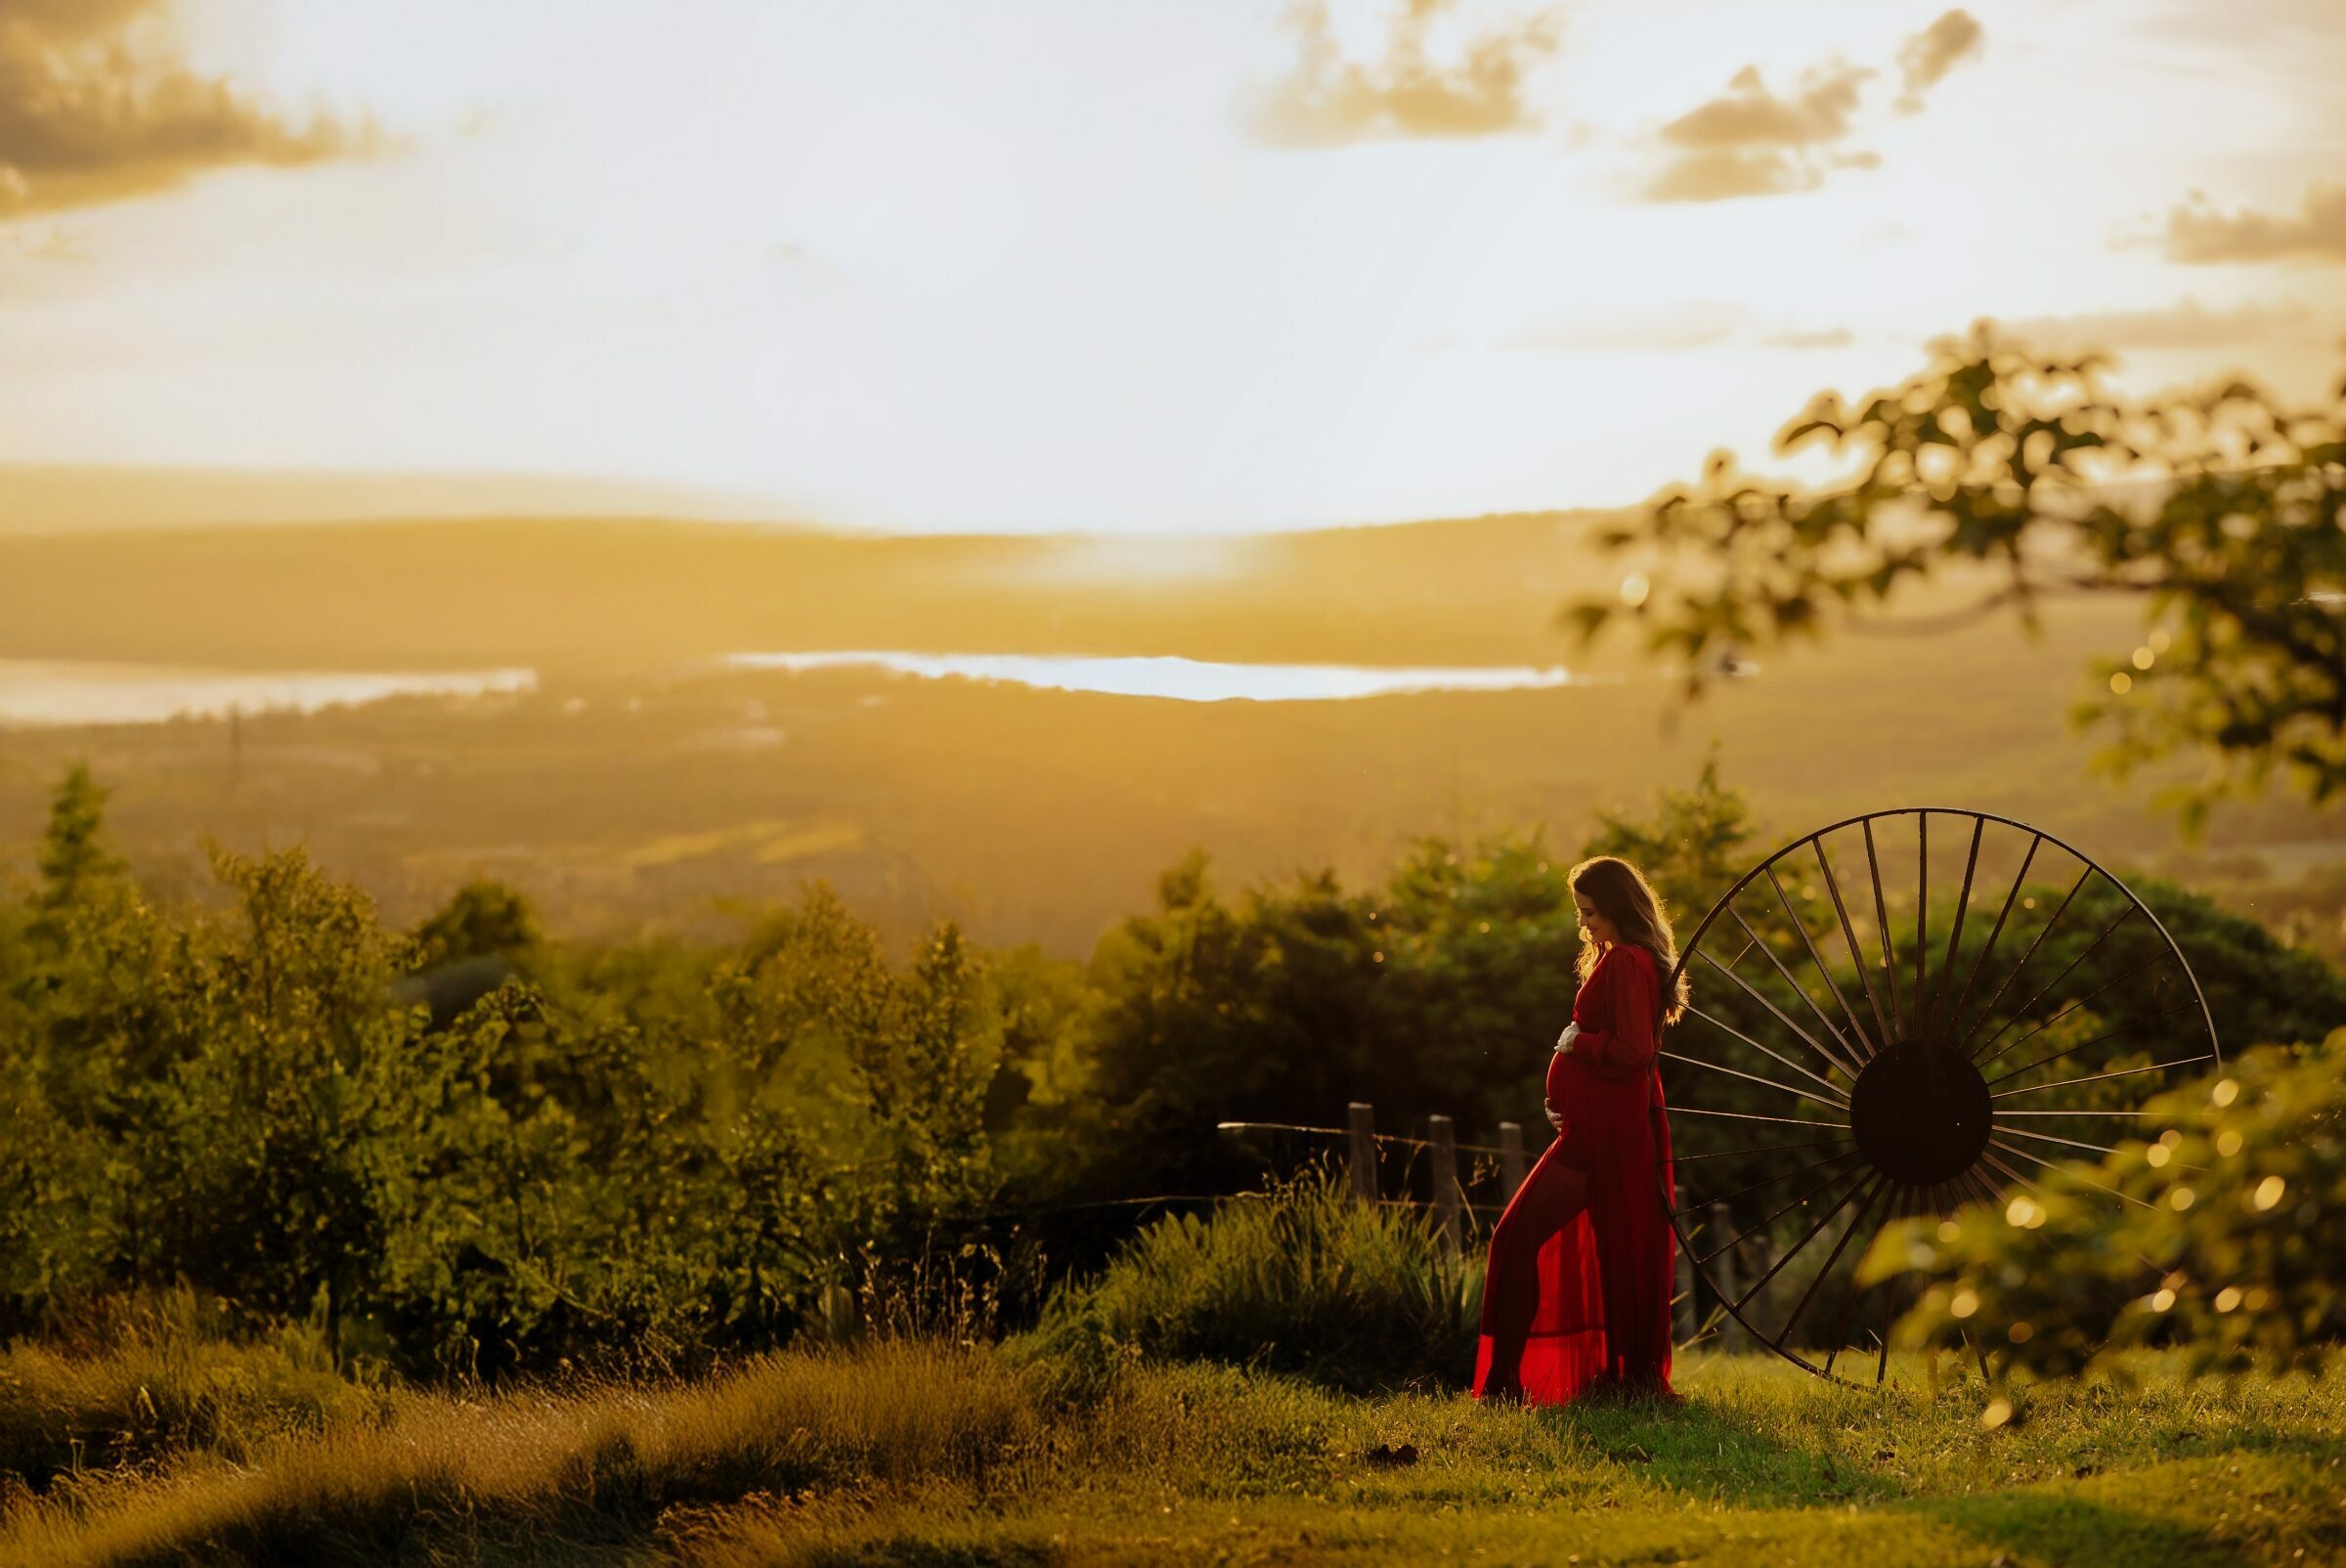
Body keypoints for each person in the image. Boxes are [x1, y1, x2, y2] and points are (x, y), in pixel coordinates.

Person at [1472, 854, 1685, 1405]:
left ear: (1617, 907)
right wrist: (1563, 1093)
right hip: (1595, 1125)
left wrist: (1576, 1044)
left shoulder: (1626, 964)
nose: (1585, 924)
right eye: (1581, 913)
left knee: (1515, 1239)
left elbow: (1633, 1052)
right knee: (1600, 1248)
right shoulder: (1622, 960)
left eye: (1591, 913)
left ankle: (1505, 1385)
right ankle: (1517, 1381)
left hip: (1601, 1137)